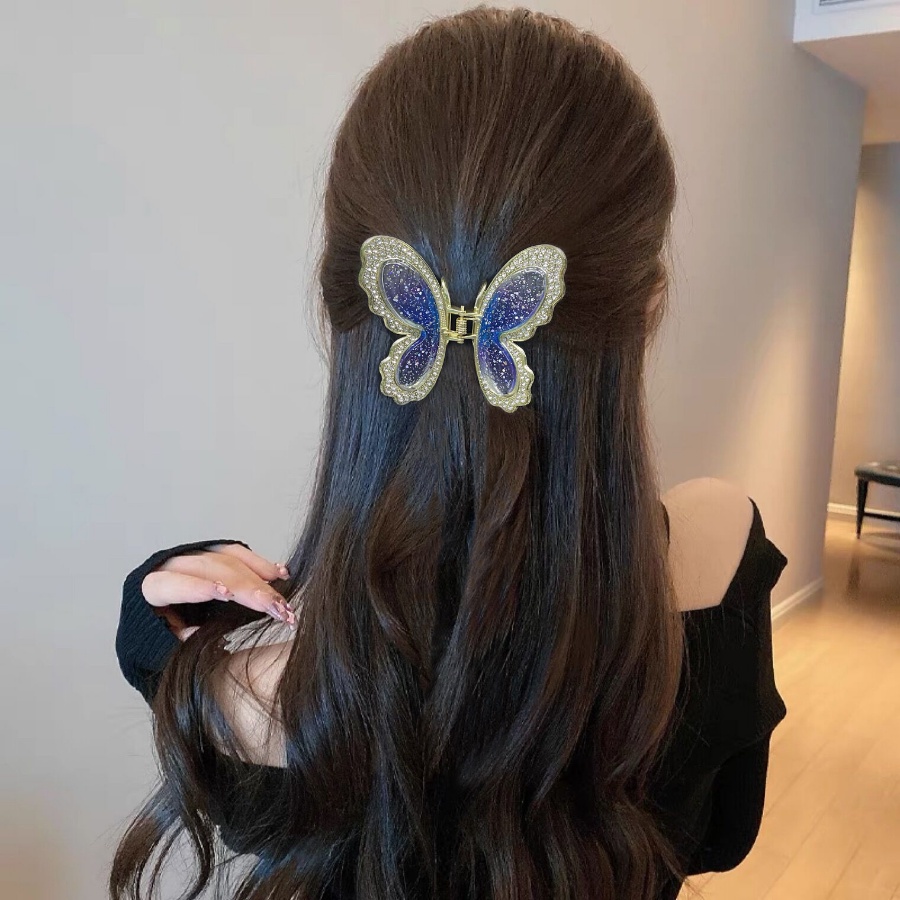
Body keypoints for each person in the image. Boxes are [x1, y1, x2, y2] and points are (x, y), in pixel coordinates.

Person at [110, 7, 788, 900]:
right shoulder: (720, 546)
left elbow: (165, 664)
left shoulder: (245, 699)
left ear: (344, 305)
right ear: (649, 302)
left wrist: (149, 616)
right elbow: (725, 836)